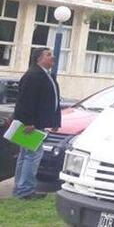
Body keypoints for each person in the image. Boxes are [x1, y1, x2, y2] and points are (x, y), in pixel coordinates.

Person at [12, 48, 61, 200]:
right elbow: (25, 101)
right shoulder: (33, 75)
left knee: (26, 155)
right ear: (39, 58)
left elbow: (53, 99)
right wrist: (29, 122)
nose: (52, 57)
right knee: (32, 156)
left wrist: (55, 121)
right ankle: (25, 190)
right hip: (31, 124)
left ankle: (20, 189)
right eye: (48, 55)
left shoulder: (46, 75)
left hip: (38, 123)